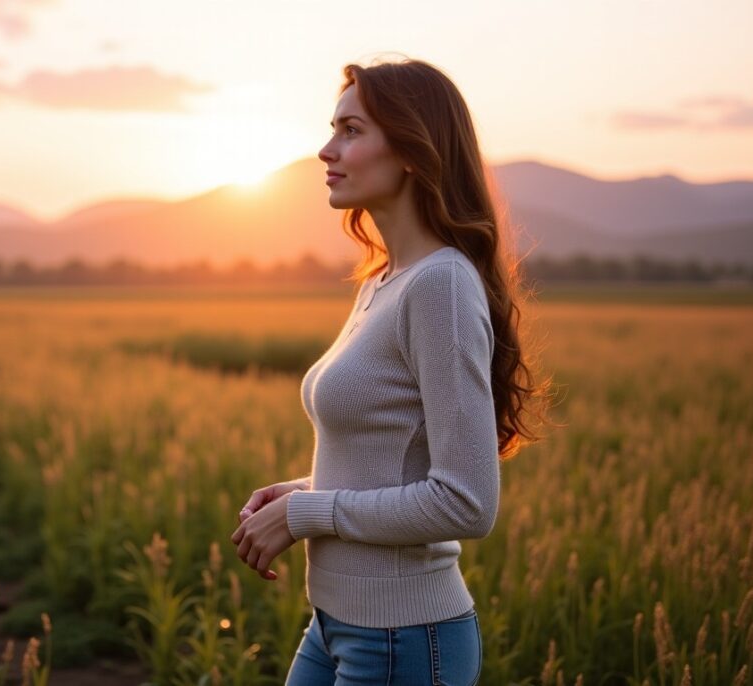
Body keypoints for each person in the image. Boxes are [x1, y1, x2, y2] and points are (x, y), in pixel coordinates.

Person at [229, 57, 551, 685]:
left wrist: (305, 514)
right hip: (334, 625)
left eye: (351, 130)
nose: (326, 150)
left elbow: (466, 502)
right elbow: (392, 463)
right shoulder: (382, 282)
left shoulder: (440, 285)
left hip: (404, 639)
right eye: (333, 129)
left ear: (410, 150)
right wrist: (301, 491)